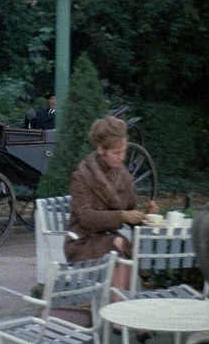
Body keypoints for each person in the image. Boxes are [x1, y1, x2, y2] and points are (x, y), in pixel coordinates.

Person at [64, 116, 158, 306]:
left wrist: (147, 214)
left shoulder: (124, 177)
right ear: (101, 149)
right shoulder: (82, 177)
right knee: (120, 245)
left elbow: (131, 214)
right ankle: (120, 310)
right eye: (116, 153)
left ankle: (120, 309)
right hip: (81, 242)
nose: (121, 157)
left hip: (111, 241)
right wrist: (121, 216)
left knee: (121, 246)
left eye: (124, 152)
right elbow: (85, 218)